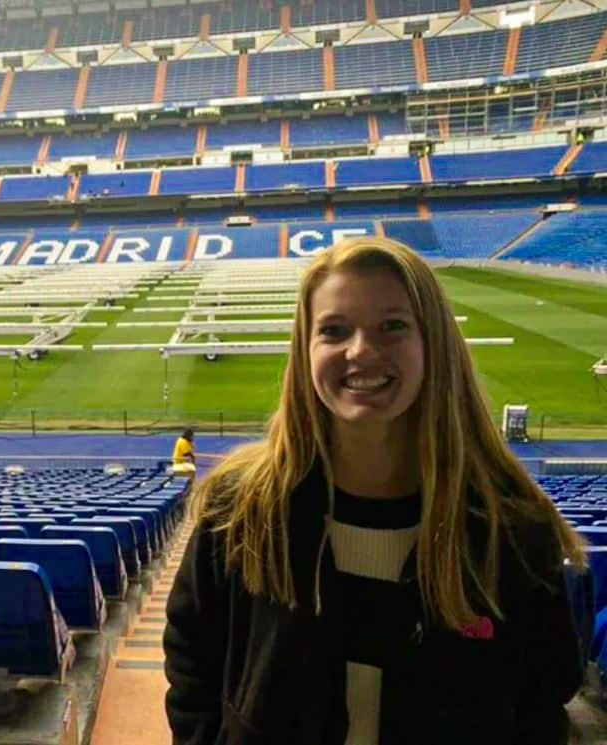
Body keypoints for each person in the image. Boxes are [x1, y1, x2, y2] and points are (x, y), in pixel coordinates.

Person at [163, 236, 587, 745]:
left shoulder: (513, 529)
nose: (361, 351)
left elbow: (544, 700)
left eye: (392, 326)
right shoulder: (239, 508)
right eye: (335, 330)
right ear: (306, 351)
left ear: (434, 342)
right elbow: (193, 660)